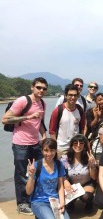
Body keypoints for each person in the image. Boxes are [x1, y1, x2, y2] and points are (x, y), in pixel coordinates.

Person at [2, 77, 48, 215]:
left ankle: (34, 198)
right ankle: (22, 203)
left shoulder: (43, 103)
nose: (41, 90)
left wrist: (44, 136)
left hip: (35, 143)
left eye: (44, 88)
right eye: (38, 87)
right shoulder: (23, 101)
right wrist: (27, 117)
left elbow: (39, 122)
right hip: (20, 144)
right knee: (22, 174)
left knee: (39, 171)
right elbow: (5, 119)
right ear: (32, 87)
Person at [25, 138, 70, 219]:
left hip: (55, 201)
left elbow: (60, 186)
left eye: (52, 150)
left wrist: (62, 203)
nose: (49, 153)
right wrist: (31, 176)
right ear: (42, 151)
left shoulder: (59, 164)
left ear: (56, 151)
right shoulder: (35, 165)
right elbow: (28, 192)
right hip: (39, 201)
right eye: (46, 150)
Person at [49, 84, 86, 159]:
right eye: (70, 95)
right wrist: (55, 147)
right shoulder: (58, 110)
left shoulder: (80, 110)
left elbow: (83, 127)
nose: (73, 97)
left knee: (75, 169)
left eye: (75, 95)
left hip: (76, 147)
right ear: (65, 96)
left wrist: (81, 142)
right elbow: (52, 131)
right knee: (64, 169)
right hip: (62, 148)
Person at [64, 134, 98, 213]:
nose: (78, 145)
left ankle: (89, 204)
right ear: (72, 145)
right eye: (75, 143)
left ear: (84, 145)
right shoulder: (65, 158)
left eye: (81, 143)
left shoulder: (89, 157)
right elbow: (62, 174)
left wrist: (92, 165)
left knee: (86, 196)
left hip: (86, 183)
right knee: (67, 195)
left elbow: (93, 177)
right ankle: (71, 203)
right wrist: (66, 182)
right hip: (72, 184)